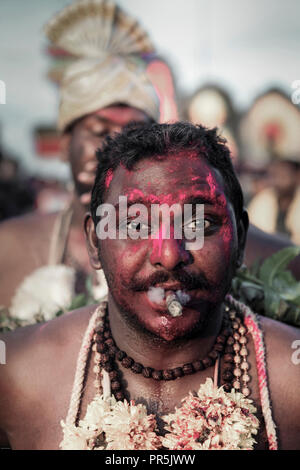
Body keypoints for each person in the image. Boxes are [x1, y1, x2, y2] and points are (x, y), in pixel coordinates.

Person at [0, 122, 299, 450]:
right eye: (135, 224)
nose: (169, 255)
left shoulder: (291, 383)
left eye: (199, 222)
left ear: (240, 238)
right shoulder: (15, 375)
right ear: (94, 241)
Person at [0, 0, 159, 316]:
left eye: (134, 132)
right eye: (99, 131)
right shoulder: (10, 247)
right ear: (64, 145)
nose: (116, 146)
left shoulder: (177, 250)